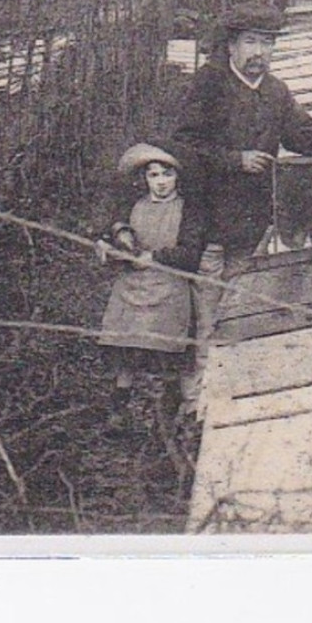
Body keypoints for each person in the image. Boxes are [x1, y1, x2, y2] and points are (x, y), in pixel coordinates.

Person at [170, 3, 312, 360]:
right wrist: (236, 160)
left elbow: (305, 136)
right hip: (209, 223)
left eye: (267, 44)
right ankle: (197, 404)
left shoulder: (276, 92)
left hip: (255, 224)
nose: (259, 53)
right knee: (208, 315)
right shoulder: (209, 84)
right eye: (251, 42)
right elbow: (184, 145)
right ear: (231, 46)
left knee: (246, 311)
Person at [97, 142, 206, 425]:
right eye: (153, 175)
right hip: (131, 288)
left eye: (166, 175)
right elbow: (114, 238)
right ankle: (118, 413)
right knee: (125, 353)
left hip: (169, 289)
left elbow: (190, 254)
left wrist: (154, 257)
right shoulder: (133, 207)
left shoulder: (188, 211)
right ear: (144, 179)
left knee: (167, 354)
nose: (160, 183)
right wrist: (113, 246)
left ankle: (167, 419)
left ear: (177, 177)